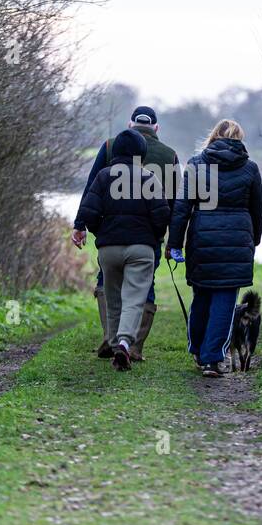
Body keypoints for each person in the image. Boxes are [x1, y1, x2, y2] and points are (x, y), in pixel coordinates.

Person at [70, 106, 179, 360]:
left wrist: (87, 227)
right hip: (145, 240)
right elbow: (173, 204)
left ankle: (112, 339)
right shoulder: (169, 156)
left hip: (110, 240)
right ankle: (132, 345)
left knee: (107, 285)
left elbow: (91, 190)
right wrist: (168, 239)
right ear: (156, 128)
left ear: (129, 126)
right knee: (143, 288)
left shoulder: (110, 147)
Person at [166, 119, 262, 378]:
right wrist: (252, 242)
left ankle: (198, 350)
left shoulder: (197, 165)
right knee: (224, 301)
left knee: (202, 296)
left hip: (202, 241)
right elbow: (258, 211)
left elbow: (181, 208)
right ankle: (212, 360)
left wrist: (174, 243)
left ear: (213, 137)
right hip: (237, 242)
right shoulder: (250, 169)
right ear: (239, 139)